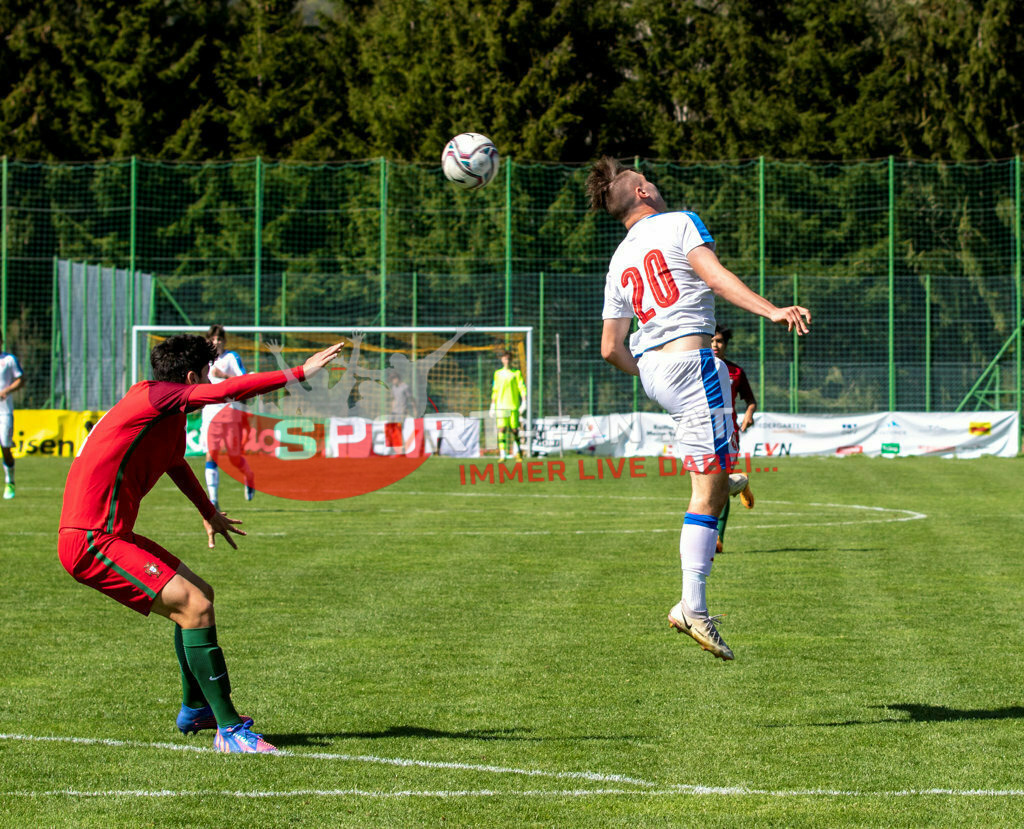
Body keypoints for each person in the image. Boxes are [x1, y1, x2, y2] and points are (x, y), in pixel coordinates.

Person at [58, 334, 344, 752]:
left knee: (200, 595)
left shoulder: (162, 411)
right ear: (191, 378)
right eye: (207, 376)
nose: (212, 383)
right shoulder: (156, 399)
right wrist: (299, 372)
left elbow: (174, 462)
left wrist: (208, 511)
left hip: (110, 534)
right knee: (194, 606)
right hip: (90, 541)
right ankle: (229, 731)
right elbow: (228, 391)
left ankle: (196, 709)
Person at [587, 156, 810, 660]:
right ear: (642, 191)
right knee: (706, 497)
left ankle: (727, 476)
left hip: (655, 372)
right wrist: (773, 310)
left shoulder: (619, 259)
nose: (656, 185)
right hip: (692, 365)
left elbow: (610, 349)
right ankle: (693, 607)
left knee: (713, 475)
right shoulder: (680, 222)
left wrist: (654, 374)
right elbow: (716, 278)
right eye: (650, 181)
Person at [711, 325, 757, 555]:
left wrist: (749, 414)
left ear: (726, 344)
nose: (715, 345)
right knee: (706, 482)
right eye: (711, 341)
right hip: (702, 431)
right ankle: (740, 482)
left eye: (719, 341)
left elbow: (751, 400)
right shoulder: (698, 367)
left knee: (718, 482)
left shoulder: (735, 372)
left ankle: (717, 538)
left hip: (727, 432)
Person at [202, 325, 255, 509]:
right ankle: (213, 500)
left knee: (233, 457)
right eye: (213, 339)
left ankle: (249, 476)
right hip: (210, 412)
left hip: (230, 412)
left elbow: (244, 380)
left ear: (224, 341)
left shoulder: (231, 357)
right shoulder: (204, 360)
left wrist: (224, 376)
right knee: (211, 454)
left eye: (219, 339)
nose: (216, 342)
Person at [490, 350, 527, 461]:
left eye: (509, 359)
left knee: (514, 430)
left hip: (513, 406)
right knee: (501, 429)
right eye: (505, 358)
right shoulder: (497, 374)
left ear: (511, 360)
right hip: (501, 406)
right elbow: (495, 390)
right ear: (502, 360)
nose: (507, 361)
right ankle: (502, 454)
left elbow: (521, 387)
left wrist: (524, 401)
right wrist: (492, 405)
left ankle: (518, 452)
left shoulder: (516, 373)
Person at [0, 336, 25, 500]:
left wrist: (6, 390)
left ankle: (10, 481)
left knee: (5, 446)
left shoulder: (9, 360)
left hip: (4, 412)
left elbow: (21, 379)